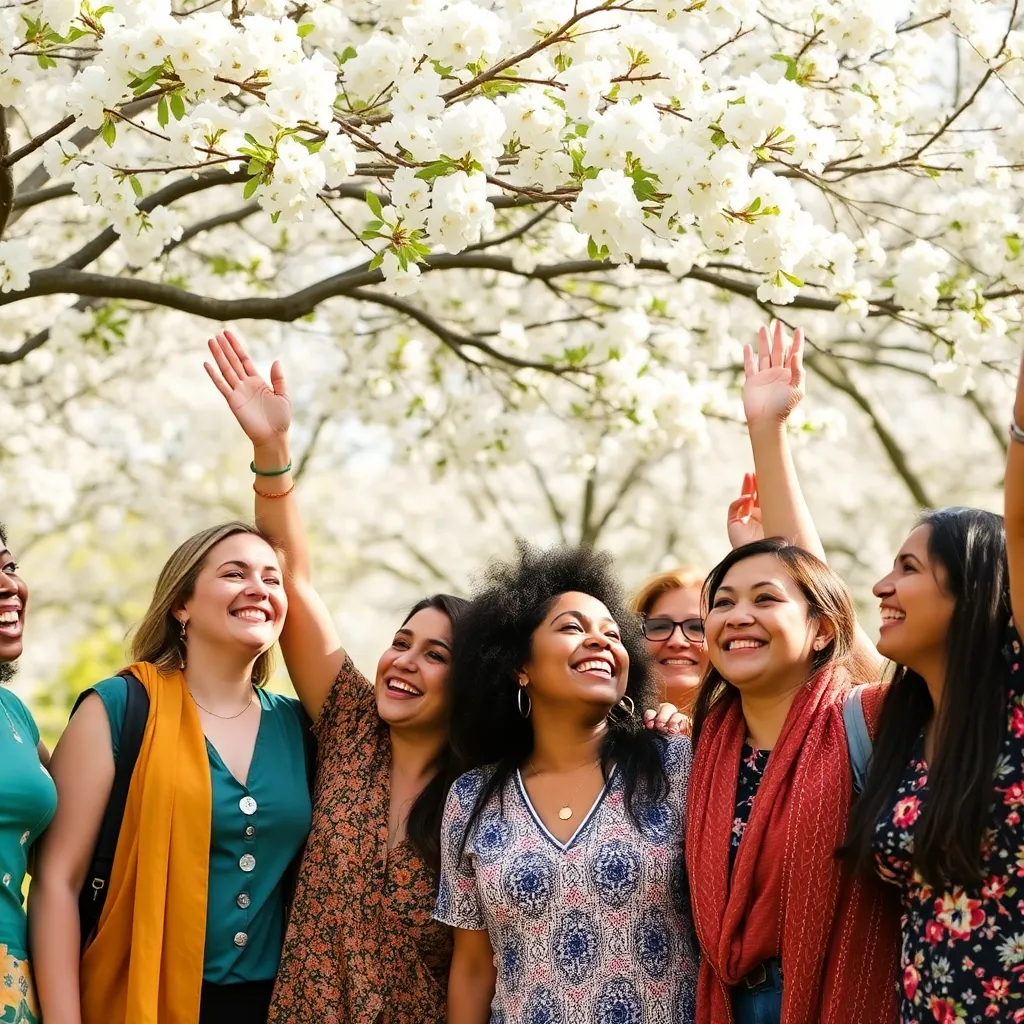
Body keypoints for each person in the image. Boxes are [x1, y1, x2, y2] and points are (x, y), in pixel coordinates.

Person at [204, 330, 467, 1024]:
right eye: (401, 642)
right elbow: (293, 579)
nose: (404, 661)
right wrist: (271, 454)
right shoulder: (351, 723)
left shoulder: (486, 790)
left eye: (436, 655)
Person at [30, 522, 313, 1024]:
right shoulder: (118, 708)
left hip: (272, 1006)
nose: (259, 589)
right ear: (181, 604)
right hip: (136, 998)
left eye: (273, 580)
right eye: (234, 573)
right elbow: (57, 882)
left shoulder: (298, 726)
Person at [436, 544, 700, 1024]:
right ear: (520, 666)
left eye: (613, 634)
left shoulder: (678, 767)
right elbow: (473, 967)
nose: (601, 642)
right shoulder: (471, 798)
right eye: (573, 627)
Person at [686, 538, 898, 1024]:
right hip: (728, 1002)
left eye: (765, 598)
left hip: (836, 998)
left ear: (823, 629)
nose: (738, 616)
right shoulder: (700, 750)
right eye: (723, 603)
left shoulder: (869, 722)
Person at [632, 475, 763, 716]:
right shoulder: (602, 731)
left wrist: (759, 558)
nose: (677, 641)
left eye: (697, 627)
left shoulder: (760, 731)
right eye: (659, 626)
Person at [0, 524, 57, 1024]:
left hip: (11, 971)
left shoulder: (13, 712)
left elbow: (89, 822)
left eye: (8, 566)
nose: (8, 586)